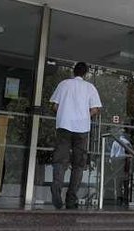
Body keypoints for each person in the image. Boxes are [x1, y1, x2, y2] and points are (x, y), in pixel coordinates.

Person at [49, 62, 102, 209]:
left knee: (60, 160)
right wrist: (84, 116)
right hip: (82, 128)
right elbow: (95, 109)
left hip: (64, 126)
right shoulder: (90, 87)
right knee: (78, 165)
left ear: (74, 71)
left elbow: (55, 106)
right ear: (85, 73)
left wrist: (65, 114)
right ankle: (71, 199)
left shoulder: (63, 84)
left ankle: (56, 188)